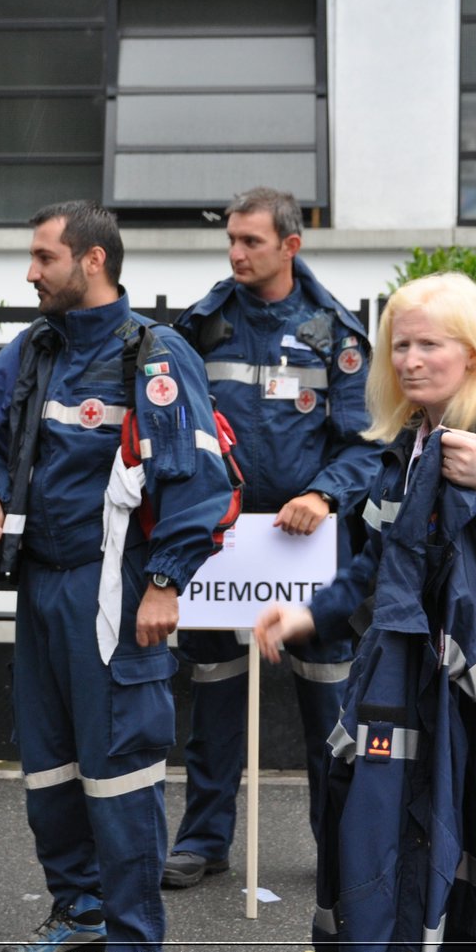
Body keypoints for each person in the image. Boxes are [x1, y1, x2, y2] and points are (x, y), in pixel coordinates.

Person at [255, 272, 476, 952]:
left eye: (428, 345)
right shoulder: (410, 442)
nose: (409, 360)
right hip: (442, 706)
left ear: (471, 352)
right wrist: (308, 614)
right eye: (399, 344)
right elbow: (384, 562)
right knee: (452, 894)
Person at [0, 201, 236, 952]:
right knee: (49, 769)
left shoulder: (154, 355)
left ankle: (134, 945)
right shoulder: (34, 348)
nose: (31, 271)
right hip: (39, 584)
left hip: (114, 592)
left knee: (119, 770)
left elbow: (199, 482)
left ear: (93, 262)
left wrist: (166, 581)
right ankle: (78, 912)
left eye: (44, 257)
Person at [163, 187, 380, 889]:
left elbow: (367, 445)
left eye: (251, 241)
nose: (236, 252)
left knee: (328, 705)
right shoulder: (203, 326)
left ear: (291, 245)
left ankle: (341, 847)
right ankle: (203, 840)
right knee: (217, 696)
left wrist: (324, 493)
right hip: (221, 543)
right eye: (231, 238)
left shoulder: (334, 334)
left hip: (307, 550)